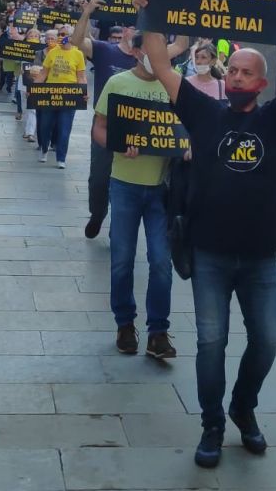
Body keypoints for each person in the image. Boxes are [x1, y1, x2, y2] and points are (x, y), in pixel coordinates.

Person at [138, 0, 276, 469]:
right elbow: (163, 66)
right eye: (231, 69)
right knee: (212, 342)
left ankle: (243, 406)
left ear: (260, 82)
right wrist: (151, 15)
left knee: (268, 339)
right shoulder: (204, 111)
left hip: (259, 258)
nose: (234, 75)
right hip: (209, 253)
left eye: (245, 72)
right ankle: (213, 423)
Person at [70, 0, 187, 239]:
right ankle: (98, 213)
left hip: (146, 125)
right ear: (125, 33)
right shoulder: (104, 50)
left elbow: (182, 44)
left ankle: (120, 226)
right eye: (133, 26)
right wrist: (87, 12)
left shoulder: (157, 54)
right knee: (99, 178)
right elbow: (77, 40)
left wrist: (177, 10)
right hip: (108, 122)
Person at [92, 35, 177, 359]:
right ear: (138, 51)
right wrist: (115, 143)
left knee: (160, 262)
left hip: (161, 188)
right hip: (124, 184)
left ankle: (158, 331)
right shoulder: (118, 82)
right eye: (151, 49)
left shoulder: (173, 85)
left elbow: (189, 127)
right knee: (122, 261)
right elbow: (99, 127)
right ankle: (125, 324)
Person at [31, 27, 88, 169]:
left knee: (64, 128)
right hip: (50, 93)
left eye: (63, 34)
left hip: (69, 95)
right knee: (45, 125)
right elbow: (43, 73)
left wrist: (84, 93)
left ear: (70, 36)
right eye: (59, 34)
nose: (60, 37)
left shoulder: (78, 54)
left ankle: (61, 157)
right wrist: (33, 89)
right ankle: (44, 149)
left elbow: (81, 76)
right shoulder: (53, 52)